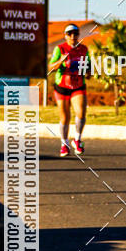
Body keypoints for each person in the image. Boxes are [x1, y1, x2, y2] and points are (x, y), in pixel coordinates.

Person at [48, 23, 91, 156]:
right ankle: (64, 143)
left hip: (78, 85)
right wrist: (60, 61)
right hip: (62, 87)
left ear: (78, 35)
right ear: (65, 36)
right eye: (69, 34)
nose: (73, 36)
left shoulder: (83, 49)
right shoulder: (59, 49)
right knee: (65, 117)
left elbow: (88, 66)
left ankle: (77, 139)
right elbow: (51, 67)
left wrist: (89, 72)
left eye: (75, 34)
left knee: (81, 113)